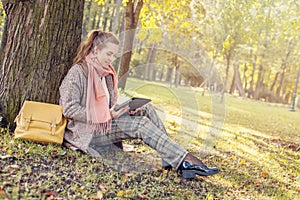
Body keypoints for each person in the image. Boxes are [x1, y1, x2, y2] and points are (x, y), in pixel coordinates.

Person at [59, 29, 219, 179]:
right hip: (89, 132)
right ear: (95, 49)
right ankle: (184, 160)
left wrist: (126, 107)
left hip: (106, 123)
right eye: (108, 54)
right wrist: (105, 115)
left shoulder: (106, 74)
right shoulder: (78, 72)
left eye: (113, 56)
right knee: (139, 124)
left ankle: (170, 157)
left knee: (145, 108)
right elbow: (69, 108)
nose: (110, 59)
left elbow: (109, 104)